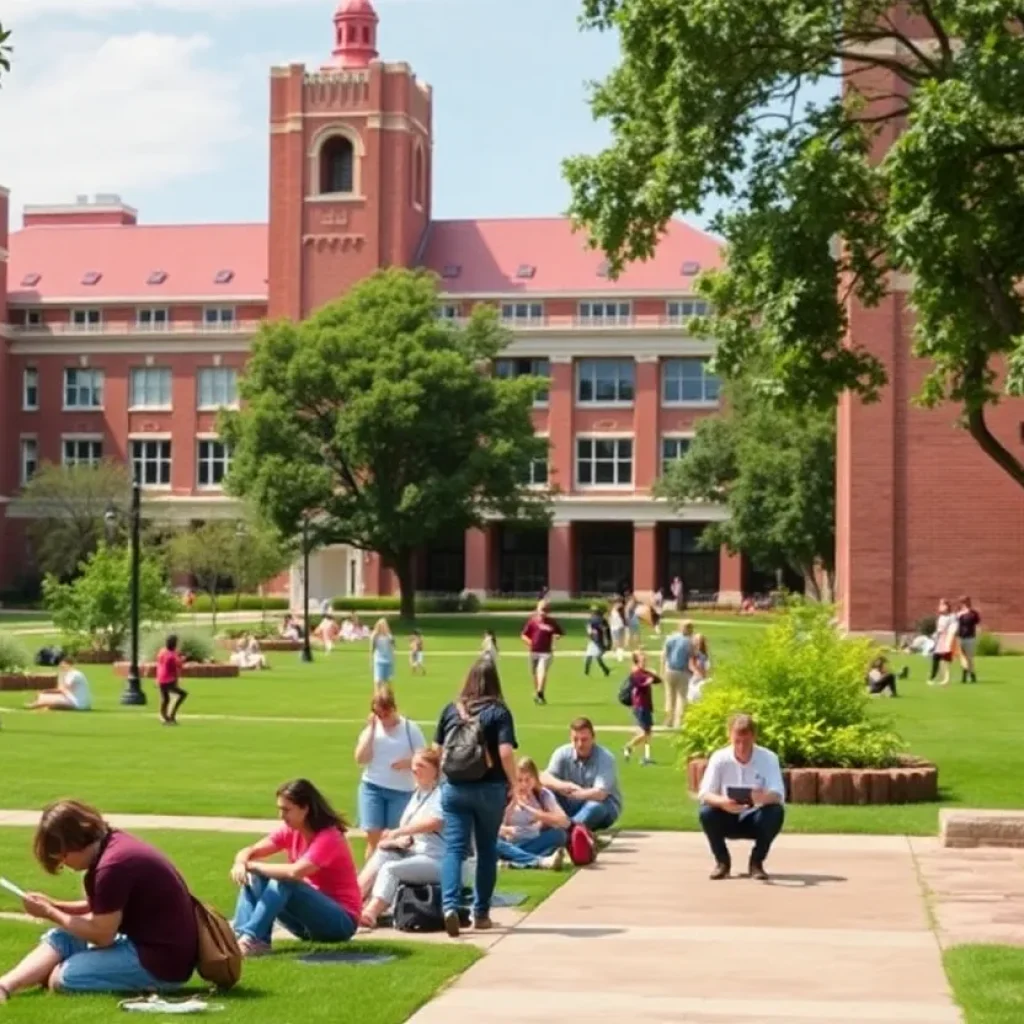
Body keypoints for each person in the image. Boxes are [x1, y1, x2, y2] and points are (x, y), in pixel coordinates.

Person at [0, 800, 198, 1001]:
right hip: (154, 949)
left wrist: (50, 912)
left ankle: (56, 972)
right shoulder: (113, 844)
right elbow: (101, 907)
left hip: (160, 963)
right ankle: (5, 986)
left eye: (62, 856)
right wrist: (52, 905)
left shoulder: (112, 866)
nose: (63, 863)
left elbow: (102, 935)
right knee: (63, 936)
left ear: (73, 844)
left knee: (63, 979)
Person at [433, 658, 518, 938]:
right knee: (486, 850)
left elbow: (436, 750)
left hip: (455, 787)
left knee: (454, 849)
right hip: (490, 787)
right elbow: (505, 752)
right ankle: (481, 914)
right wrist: (514, 784)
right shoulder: (498, 712)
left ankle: (449, 907)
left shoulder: (450, 709)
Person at [230, 779, 360, 956]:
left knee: (284, 880)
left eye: (286, 810)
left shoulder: (330, 837)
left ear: (305, 809)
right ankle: (244, 938)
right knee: (255, 877)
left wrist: (251, 866)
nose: (281, 816)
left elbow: (296, 871)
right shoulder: (291, 830)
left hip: (340, 923)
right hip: (306, 923)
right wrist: (241, 863)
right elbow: (251, 851)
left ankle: (251, 938)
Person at [358, 749, 445, 929]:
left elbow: (435, 822)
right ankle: (352, 899)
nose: (414, 769)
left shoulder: (441, 794)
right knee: (383, 853)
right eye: (413, 765)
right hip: (417, 853)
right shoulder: (418, 794)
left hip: (438, 859)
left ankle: (371, 912)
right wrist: (396, 840)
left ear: (435, 770)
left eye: (421, 765)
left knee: (391, 869)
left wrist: (399, 832)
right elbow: (412, 833)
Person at [697, 713, 786, 881]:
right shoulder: (719, 758)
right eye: (737, 741)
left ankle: (756, 863)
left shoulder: (768, 758)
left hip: (755, 817)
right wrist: (722, 802)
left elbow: (778, 794)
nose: (741, 747)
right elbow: (704, 793)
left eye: (746, 741)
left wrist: (760, 798)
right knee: (706, 813)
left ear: (754, 737)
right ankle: (722, 862)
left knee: (776, 812)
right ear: (729, 736)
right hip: (727, 816)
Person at [354, 688, 425, 858]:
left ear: (394, 709)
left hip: (401, 791)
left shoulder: (410, 729)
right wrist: (371, 730)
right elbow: (360, 758)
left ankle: (390, 876)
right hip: (372, 786)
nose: (383, 719)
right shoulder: (372, 729)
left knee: (395, 838)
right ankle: (370, 879)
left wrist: (409, 763)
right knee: (373, 837)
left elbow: (425, 757)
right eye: (379, 715)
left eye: (386, 714)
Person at [541, 717, 623, 832]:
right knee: (545, 791)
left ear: (593, 738)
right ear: (570, 738)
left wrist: (576, 794)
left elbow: (600, 794)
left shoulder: (605, 758)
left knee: (594, 807)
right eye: (575, 739)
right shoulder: (562, 753)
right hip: (571, 803)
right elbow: (543, 777)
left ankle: (565, 832)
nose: (580, 744)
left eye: (584, 740)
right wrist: (561, 785)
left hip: (604, 807)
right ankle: (569, 828)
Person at [496, 757, 569, 869]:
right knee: (494, 842)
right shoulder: (506, 795)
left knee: (559, 834)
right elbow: (493, 827)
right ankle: (539, 860)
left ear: (535, 779)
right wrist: (508, 829)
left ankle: (514, 859)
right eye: (520, 780)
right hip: (511, 841)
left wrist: (535, 812)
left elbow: (564, 821)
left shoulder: (542, 795)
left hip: (532, 841)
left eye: (528, 779)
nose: (524, 785)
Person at [520, 599, 565, 705]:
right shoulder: (533, 621)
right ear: (537, 609)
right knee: (535, 674)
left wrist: (557, 636)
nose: (544, 612)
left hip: (546, 652)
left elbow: (560, 632)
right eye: (542, 609)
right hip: (534, 651)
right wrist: (530, 643)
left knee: (542, 670)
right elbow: (523, 635)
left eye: (546, 609)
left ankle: (540, 692)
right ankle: (539, 693)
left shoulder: (551, 622)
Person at [623, 651, 660, 765]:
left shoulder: (644, 672)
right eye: (643, 660)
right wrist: (649, 679)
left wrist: (652, 675)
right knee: (646, 732)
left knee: (648, 732)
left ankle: (647, 757)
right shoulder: (636, 673)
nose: (645, 662)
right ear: (637, 662)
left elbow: (658, 681)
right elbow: (642, 683)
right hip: (640, 705)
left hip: (646, 705)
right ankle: (628, 746)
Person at [660, 618, 694, 729]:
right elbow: (692, 656)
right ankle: (678, 722)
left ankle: (669, 720)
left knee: (669, 696)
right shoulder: (689, 642)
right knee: (681, 697)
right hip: (683, 671)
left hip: (670, 670)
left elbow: (664, 655)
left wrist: (662, 670)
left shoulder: (671, 638)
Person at [25, 659, 92, 712]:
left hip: (77, 703)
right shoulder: (75, 673)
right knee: (44, 696)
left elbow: (61, 689)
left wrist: (44, 691)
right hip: (80, 702)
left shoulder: (73, 674)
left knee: (45, 698)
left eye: (63, 665)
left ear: (68, 665)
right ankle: (37, 704)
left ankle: (34, 705)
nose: (61, 667)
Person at [156, 634, 188, 726]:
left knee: (165, 699)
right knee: (183, 694)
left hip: (160, 678)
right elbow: (179, 665)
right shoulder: (172, 656)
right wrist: (183, 659)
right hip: (168, 680)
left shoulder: (162, 651)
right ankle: (171, 716)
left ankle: (165, 717)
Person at [929, 598, 958, 686]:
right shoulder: (941, 617)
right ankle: (932, 677)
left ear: (947, 606)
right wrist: (935, 636)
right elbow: (938, 629)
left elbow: (954, 628)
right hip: (939, 640)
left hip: (947, 639)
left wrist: (949, 636)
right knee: (935, 658)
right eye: (940, 605)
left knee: (945, 660)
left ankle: (947, 679)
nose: (940, 607)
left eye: (942, 605)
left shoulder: (952, 616)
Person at [957, 596, 981, 684]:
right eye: (962, 602)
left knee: (969, 658)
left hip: (970, 637)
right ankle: (964, 676)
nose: (964, 604)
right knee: (963, 658)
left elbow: (977, 623)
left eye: (965, 602)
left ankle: (972, 675)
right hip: (961, 637)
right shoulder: (959, 613)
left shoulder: (973, 613)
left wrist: (978, 634)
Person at [583, 604, 611, 677]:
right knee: (596, 657)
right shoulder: (602, 620)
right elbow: (606, 630)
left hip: (596, 641)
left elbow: (589, 630)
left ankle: (587, 672)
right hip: (598, 641)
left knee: (591, 656)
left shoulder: (592, 620)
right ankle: (605, 670)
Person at [369, 618, 395, 688]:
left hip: (388, 660)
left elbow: (392, 647)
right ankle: (377, 697)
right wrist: (371, 662)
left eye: (384, 625)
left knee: (388, 681)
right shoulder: (375, 636)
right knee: (378, 680)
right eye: (381, 625)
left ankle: (389, 697)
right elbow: (372, 649)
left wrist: (393, 659)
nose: (383, 627)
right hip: (378, 660)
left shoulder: (389, 636)